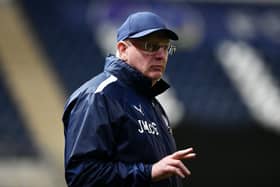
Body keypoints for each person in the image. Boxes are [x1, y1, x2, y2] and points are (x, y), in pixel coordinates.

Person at [62, 11, 196, 187]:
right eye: (150, 45)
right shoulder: (98, 96)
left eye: (166, 47)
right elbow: (83, 176)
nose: (161, 55)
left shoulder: (152, 103)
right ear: (122, 49)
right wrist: (149, 172)